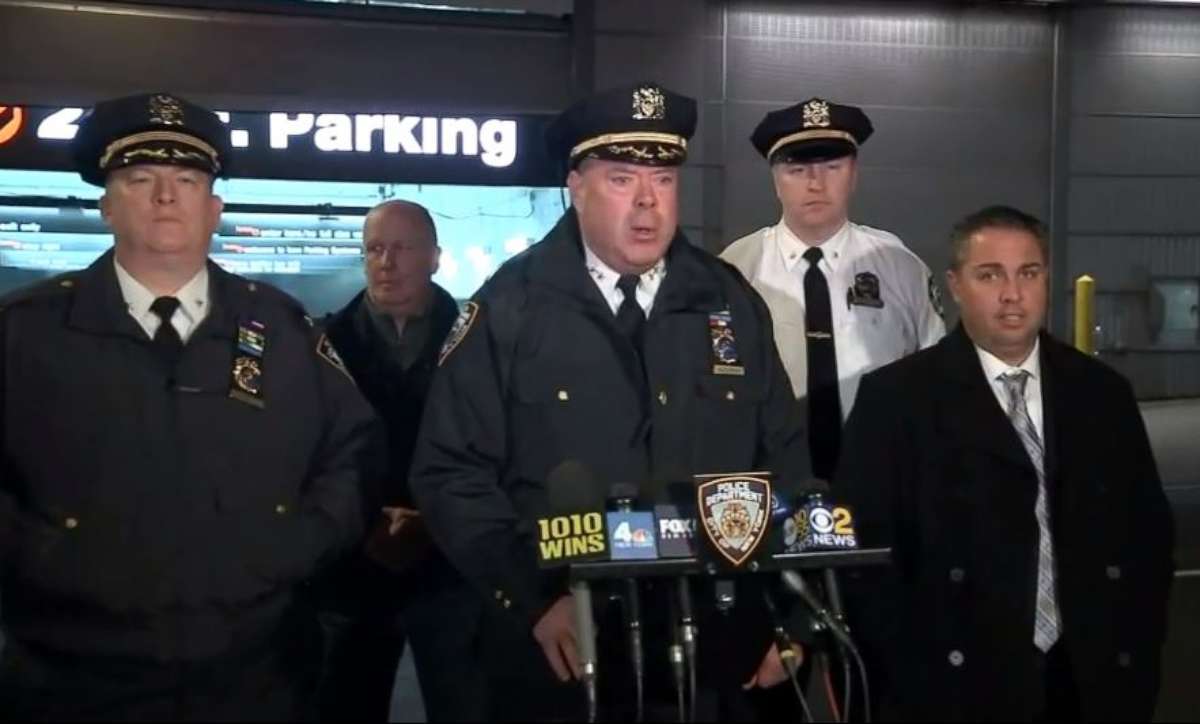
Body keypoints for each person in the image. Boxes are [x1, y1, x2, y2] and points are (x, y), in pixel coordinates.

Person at [409, 81, 812, 720]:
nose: (648, 203)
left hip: (713, 646)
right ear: (576, 186)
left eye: (664, 179)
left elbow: (787, 462)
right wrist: (533, 599)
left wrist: (794, 614)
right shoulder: (509, 308)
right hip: (564, 649)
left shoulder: (728, 303)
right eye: (623, 179)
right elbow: (450, 472)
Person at [0, 92, 382, 720]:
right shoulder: (24, 332)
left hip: (257, 672)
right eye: (139, 178)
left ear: (215, 208)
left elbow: (354, 452)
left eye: (186, 180)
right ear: (105, 205)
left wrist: (297, 543)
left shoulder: (280, 326)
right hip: (69, 676)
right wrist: (44, 556)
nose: (165, 196)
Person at [836, 205, 1175, 721]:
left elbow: (1148, 539)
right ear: (955, 284)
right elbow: (864, 556)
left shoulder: (1102, 393)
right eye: (990, 275)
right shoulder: (896, 400)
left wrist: (1137, 658)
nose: (1012, 294)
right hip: (953, 688)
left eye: (1028, 273)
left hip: (1089, 679)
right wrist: (905, 672)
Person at [313, 199, 485, 722]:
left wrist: (434, 521)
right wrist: (365, 521)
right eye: (375, 249)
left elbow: (496, 450)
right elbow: (307, 454)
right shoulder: (321, 345)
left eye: (403, 248)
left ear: (435, 257)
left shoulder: (482, 342)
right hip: (351, 571)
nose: (387, 262)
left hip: (454, 569)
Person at [722, 98, 944, 480]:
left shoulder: (900, 265)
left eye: (832, 167)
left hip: (883, 474)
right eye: (797, 168)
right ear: (775, 179)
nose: (815, 183)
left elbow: (938, 374)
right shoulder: (734, 270)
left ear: (854, 173)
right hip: (771, 477)